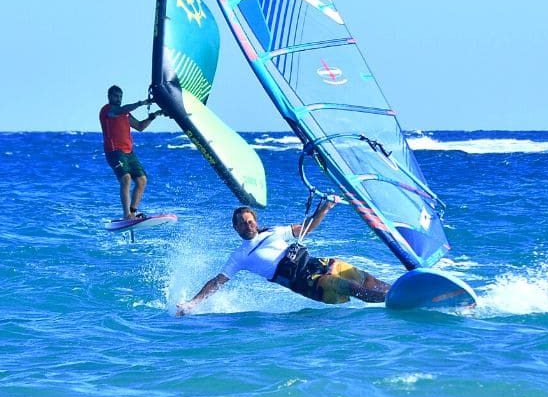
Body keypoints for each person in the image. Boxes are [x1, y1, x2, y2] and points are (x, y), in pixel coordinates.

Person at [175, 198, 391, 315]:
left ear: (256, 222)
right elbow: (217, 281)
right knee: (353, 288)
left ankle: (399, 292)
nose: (248, 225)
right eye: (242, 223)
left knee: (370, 281)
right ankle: (392, 302)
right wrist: (193, 303)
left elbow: (307, 227)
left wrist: (325, 207)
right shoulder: (240, 256)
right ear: (235, 228)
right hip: (312, 283)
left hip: (324, 265)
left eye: (251, 221)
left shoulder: (274, 231)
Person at [99, 85, 161, 220]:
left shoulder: (125, 114)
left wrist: (153, 116)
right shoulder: (107, 110)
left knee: (142, 180)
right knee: (126, 179)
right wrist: (141, 103)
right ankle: (126, 214)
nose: (118, 99)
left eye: (120, 96)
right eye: (116, 96)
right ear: (109, 96)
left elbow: (140, 126)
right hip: (114, 151)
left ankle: (133, 212)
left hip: (129, 152)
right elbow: (122, 109)